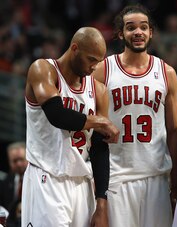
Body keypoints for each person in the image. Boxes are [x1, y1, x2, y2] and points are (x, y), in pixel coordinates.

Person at [92, 4, 177, 227]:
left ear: (151, 32)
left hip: (156, 177)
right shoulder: (104, 70)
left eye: (143, 27)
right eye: (131, 28)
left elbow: (173, 130)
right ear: (121, 34)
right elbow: (93, 128)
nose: (138, 32)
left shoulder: (166, 72)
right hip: (117, 178)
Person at [22, 27, 120, 227]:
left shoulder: (99, 90)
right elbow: (57, 115)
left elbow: (100, 149)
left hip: (82, 183)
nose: (94, 67)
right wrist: (100, 121)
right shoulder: (43, 70)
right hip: (47, 177)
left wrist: (101, 202)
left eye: (99, 61)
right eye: (91, 59)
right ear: (75, 48)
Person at [0, 142, 27, 226]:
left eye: (21, 159)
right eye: (15, 161)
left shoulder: (38, 181)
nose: (18, 164)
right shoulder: (5, 182)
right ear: (9, 162)